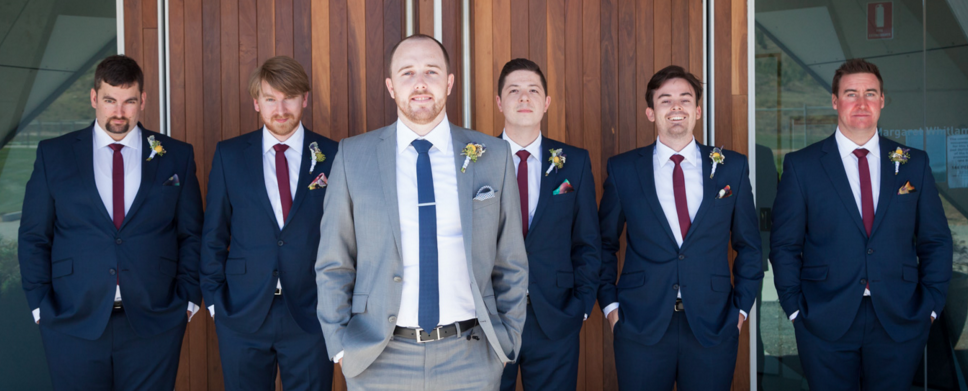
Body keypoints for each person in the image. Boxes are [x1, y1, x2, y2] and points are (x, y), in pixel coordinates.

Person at [314, 34, 528, 390]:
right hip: (378, 358)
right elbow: (334, 262)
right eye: (407, 73)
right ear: (391, 86)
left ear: (449, 82)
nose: (420, 84)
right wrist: (339, 346)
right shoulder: (353, 157)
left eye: (431, 71)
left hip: (470, 358)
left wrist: (507, 341)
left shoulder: (492, 155)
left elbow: (511, 261)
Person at [18, 54, 203, 391]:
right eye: (109, 100)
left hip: (155, 321)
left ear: (143, 100)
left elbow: (191, 234)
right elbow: (34, 235)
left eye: (129, 101)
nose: (119, 112)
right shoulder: (53, 154)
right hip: (71, 320)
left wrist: (188, 300)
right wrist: (39, 305)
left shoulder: (176, 156)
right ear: (94, 98)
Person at [770, 58, 952, 391]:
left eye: (870, 93)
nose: (862, 102)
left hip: (900, 316)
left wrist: (931, 306)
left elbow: (935, 241)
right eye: (851, 93)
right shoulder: (802, 166)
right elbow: (784, 245)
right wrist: (795, 309)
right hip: (823, 318)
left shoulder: (914, 163)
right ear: (835, 101)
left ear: (882, 100)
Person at [598, 65, 762, 390]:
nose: (676, 107)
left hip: (714, 323)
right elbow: (602, 244)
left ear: (697, 110)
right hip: (639, 324)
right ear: (650, 112)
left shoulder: (732, 167)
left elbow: (750, 246)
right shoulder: (623, 169)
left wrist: (740, 312)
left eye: (685, 100)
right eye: (665, 100)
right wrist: (612, 310)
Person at [200, 56, 337, 391]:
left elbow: (348, 236)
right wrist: (217, 303)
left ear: (305, 99)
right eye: (270, 98)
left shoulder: (334, 155)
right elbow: (214, 234)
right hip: (242, 313)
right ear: (256, 102)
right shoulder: (229, 155)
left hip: (310, 313)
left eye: (289, 97)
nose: (280, 108)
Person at [495, 58, 600, 391]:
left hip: (555, 319)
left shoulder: (576, 161)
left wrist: (580, 307)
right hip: (490, 320)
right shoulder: (474, 160)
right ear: (499, 102)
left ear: (546, 103)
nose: (524, 98)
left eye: (533, 91)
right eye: (514, 91)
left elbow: (587, 242)